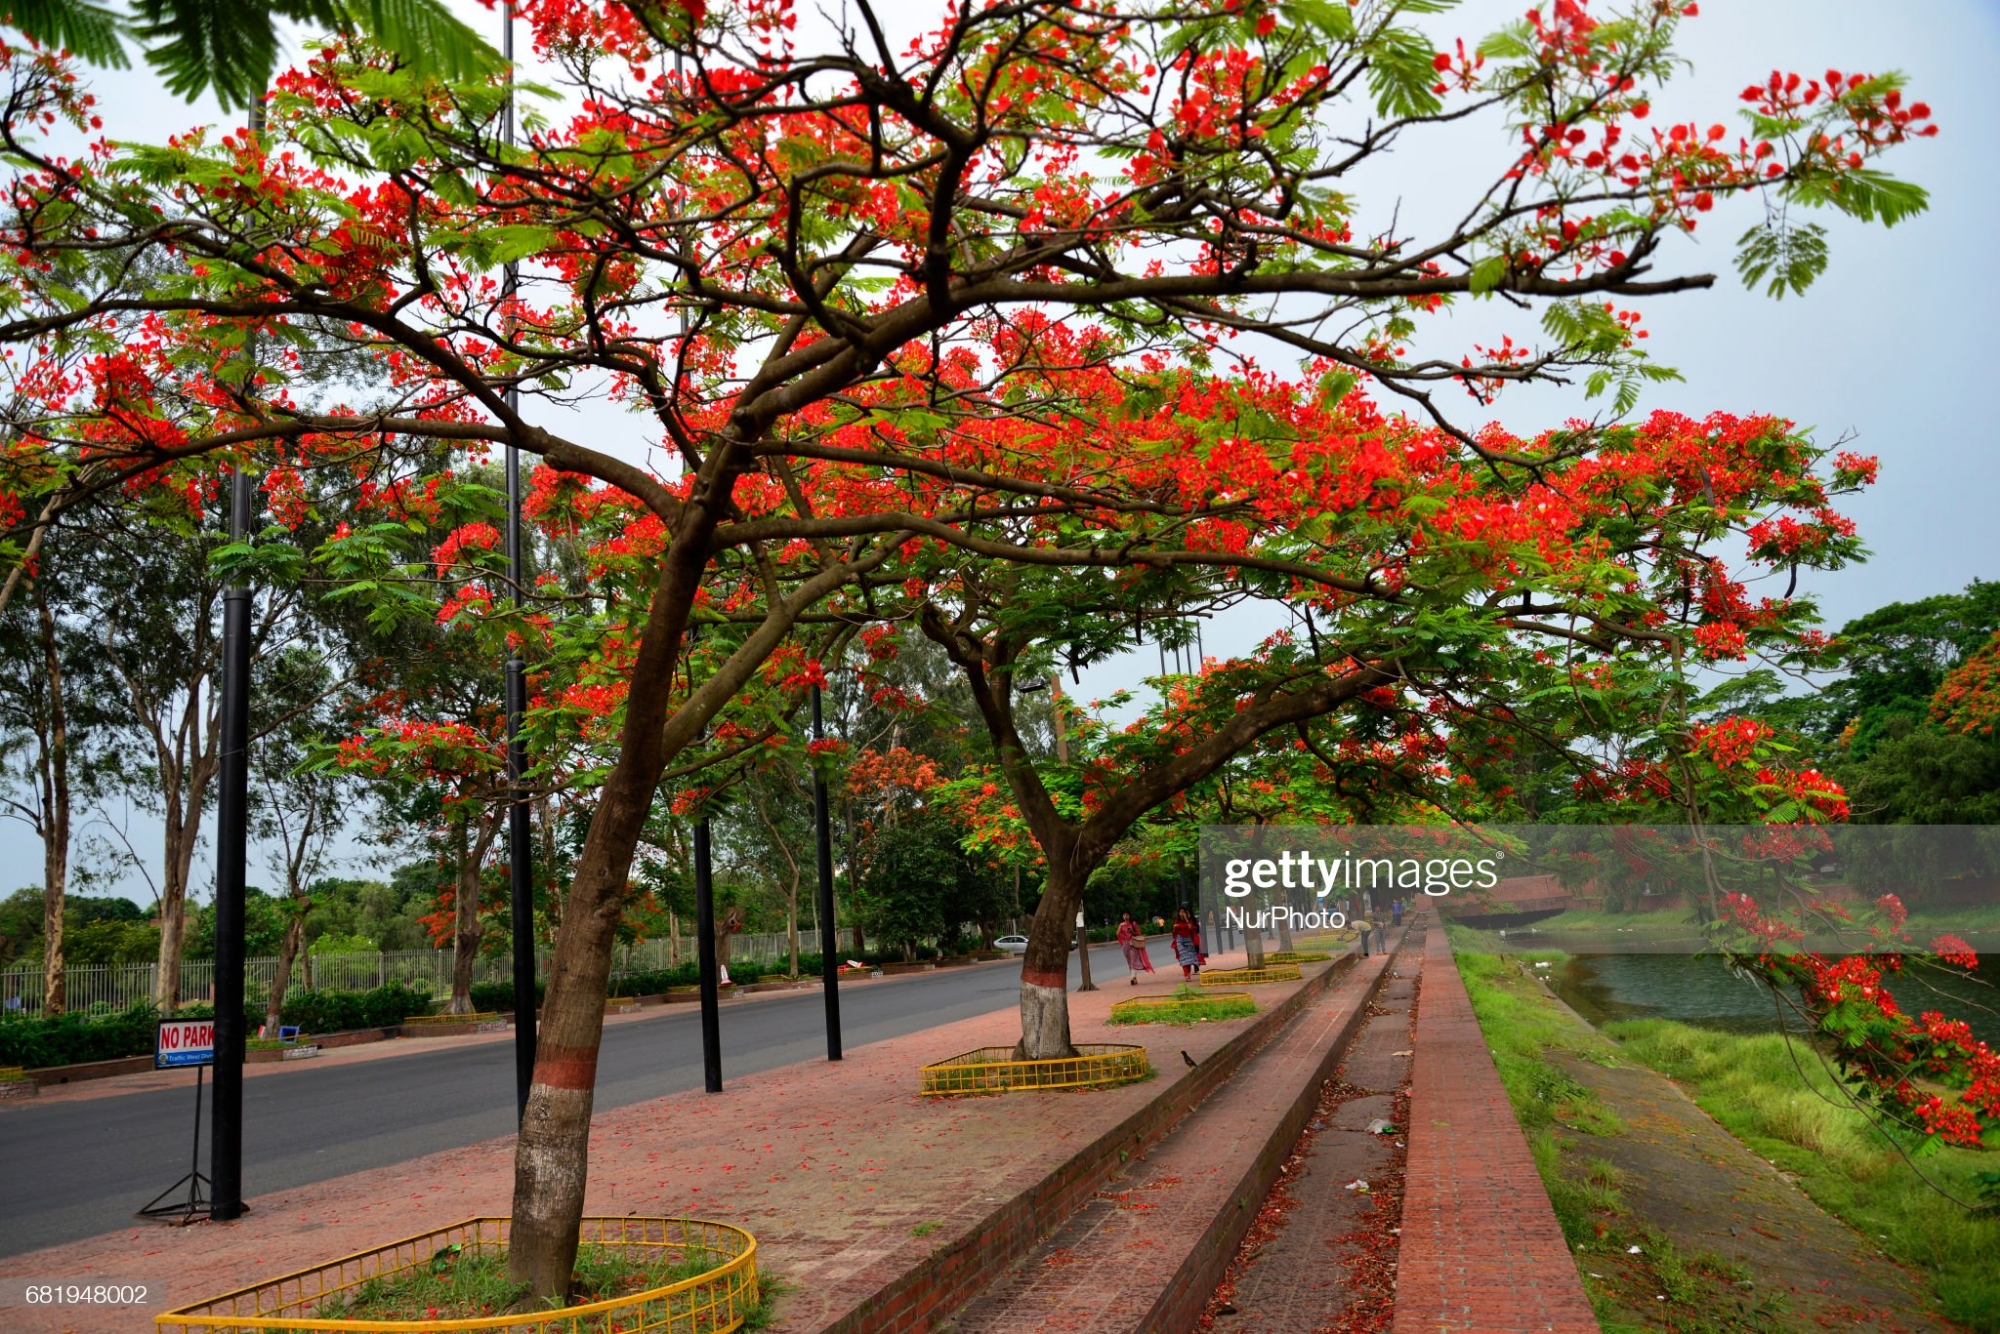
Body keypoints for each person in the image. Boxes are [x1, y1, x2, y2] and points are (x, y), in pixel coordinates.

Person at [1117, 912, 1155, 985]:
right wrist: (1120, 926)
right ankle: (1134, 979)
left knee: (1134, 960)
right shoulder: (1121, 925)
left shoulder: (1133, 923)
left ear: (1130, 915)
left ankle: (1132, 977)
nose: (1126, 916)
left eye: (1127, 915)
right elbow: (1117, 934)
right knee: (1130, 961)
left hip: (1134, 943)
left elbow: (1138, 933)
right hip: (1126, 945)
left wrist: (1132, 931)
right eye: (1124, 915)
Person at [1171, 909, 1206, 980]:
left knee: (1189, 958)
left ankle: (1188, 973)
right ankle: (1186, 974)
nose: (1182, 913)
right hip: (1180, 941)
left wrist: (1186, 919)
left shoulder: (1189, 921)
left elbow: (1191, 929)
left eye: (1184, 912)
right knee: (1183, 957)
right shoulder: (1176, 921)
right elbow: (1174, 934)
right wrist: (1174, 929)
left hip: (1189, 940)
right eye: (1181, 912)